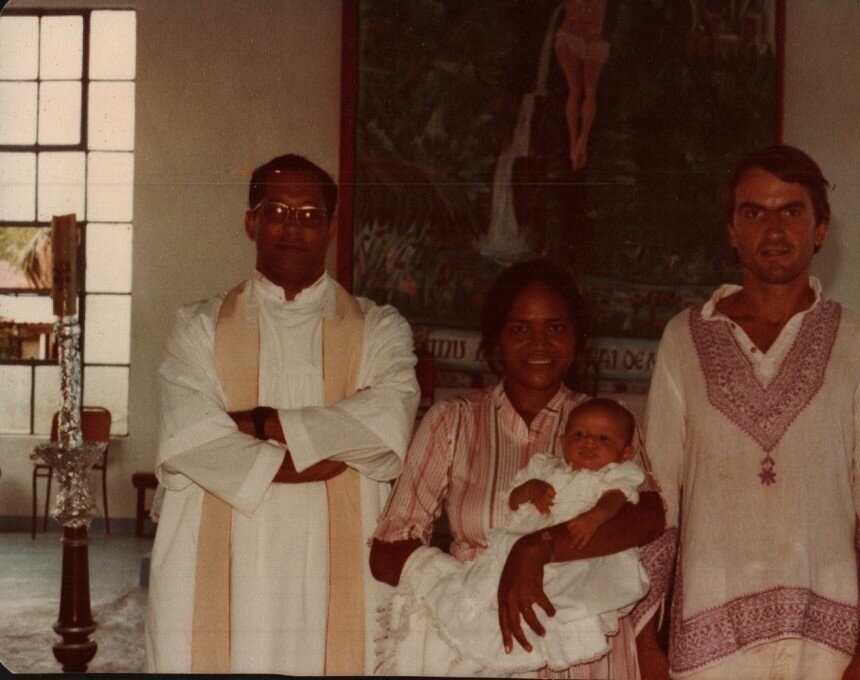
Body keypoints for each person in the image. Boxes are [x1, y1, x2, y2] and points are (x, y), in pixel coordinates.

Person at [144, 154, 419, 675]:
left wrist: (259, 422)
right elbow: (190, 438)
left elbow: (385, 430)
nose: (294, 228)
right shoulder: (198, 326)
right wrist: (321, 450)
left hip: (340, 565)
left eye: (311, 215)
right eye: (277, 211)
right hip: (218, 559)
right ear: (251, 222)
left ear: (333, 228)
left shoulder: (380, 329)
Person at [645, 145, 860, 679]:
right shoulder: (683, 338)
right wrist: (645, 638)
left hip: (826, 644)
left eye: (791, 211)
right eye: (755, 212)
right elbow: (657, 493)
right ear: (731, 229)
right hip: (707, 637)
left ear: (820, 228)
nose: (773, 229)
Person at [369, 259, 672, 679]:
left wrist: (537, 547)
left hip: (585, 654)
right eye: (519, 329)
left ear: (576, 337)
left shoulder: (606, 426)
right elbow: (386, 551)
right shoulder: (452, 422)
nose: (539, 345)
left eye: (556, 328)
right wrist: (469, 589)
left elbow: (648, 515)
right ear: (496, 338)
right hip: (482, 646)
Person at [378, 398, 650, 676]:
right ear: (563, 440)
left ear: (626, 452)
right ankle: (474, 657)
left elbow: (625, 503)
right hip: (507, 566)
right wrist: (530, 489)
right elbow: (513, 498)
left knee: (565, 610)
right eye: (580, 435)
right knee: (478, 614)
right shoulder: (546, 468)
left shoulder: (616, 474)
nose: (590, 442)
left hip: (579, 557)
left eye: (603, 438)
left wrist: (594, 518)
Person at [556, 0, 611, 170]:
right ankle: (576, 142)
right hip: (573, 37)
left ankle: (580, 142)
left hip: (590, 40)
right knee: (580, 90)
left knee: (583, 91)